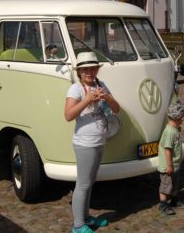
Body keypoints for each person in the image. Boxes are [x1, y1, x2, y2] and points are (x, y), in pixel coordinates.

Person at [64, 51, 120, 233]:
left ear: (97, 69)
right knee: (83, 183)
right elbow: (68, 115)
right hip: (84, 142)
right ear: (79, 72)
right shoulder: (75, 89)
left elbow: (117, 109)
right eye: (85, 69)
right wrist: (86, 99)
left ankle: (86, 217)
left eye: (93, 68)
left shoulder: (101, 84)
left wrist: (107, 97)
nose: (89, 71)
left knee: (90, 181)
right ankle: (78, 225)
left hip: (99, 141)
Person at [157, 101, 184, 215]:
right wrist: (169, 165)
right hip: (167, 166)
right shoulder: (169, 132)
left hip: (174, 164)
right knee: (166, 185)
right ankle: (163, 204)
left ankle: (174, 200)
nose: (183, 120)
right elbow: (167, 150)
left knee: (175, 183)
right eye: (181, 117)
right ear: (176, 118)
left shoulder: (174, 130)